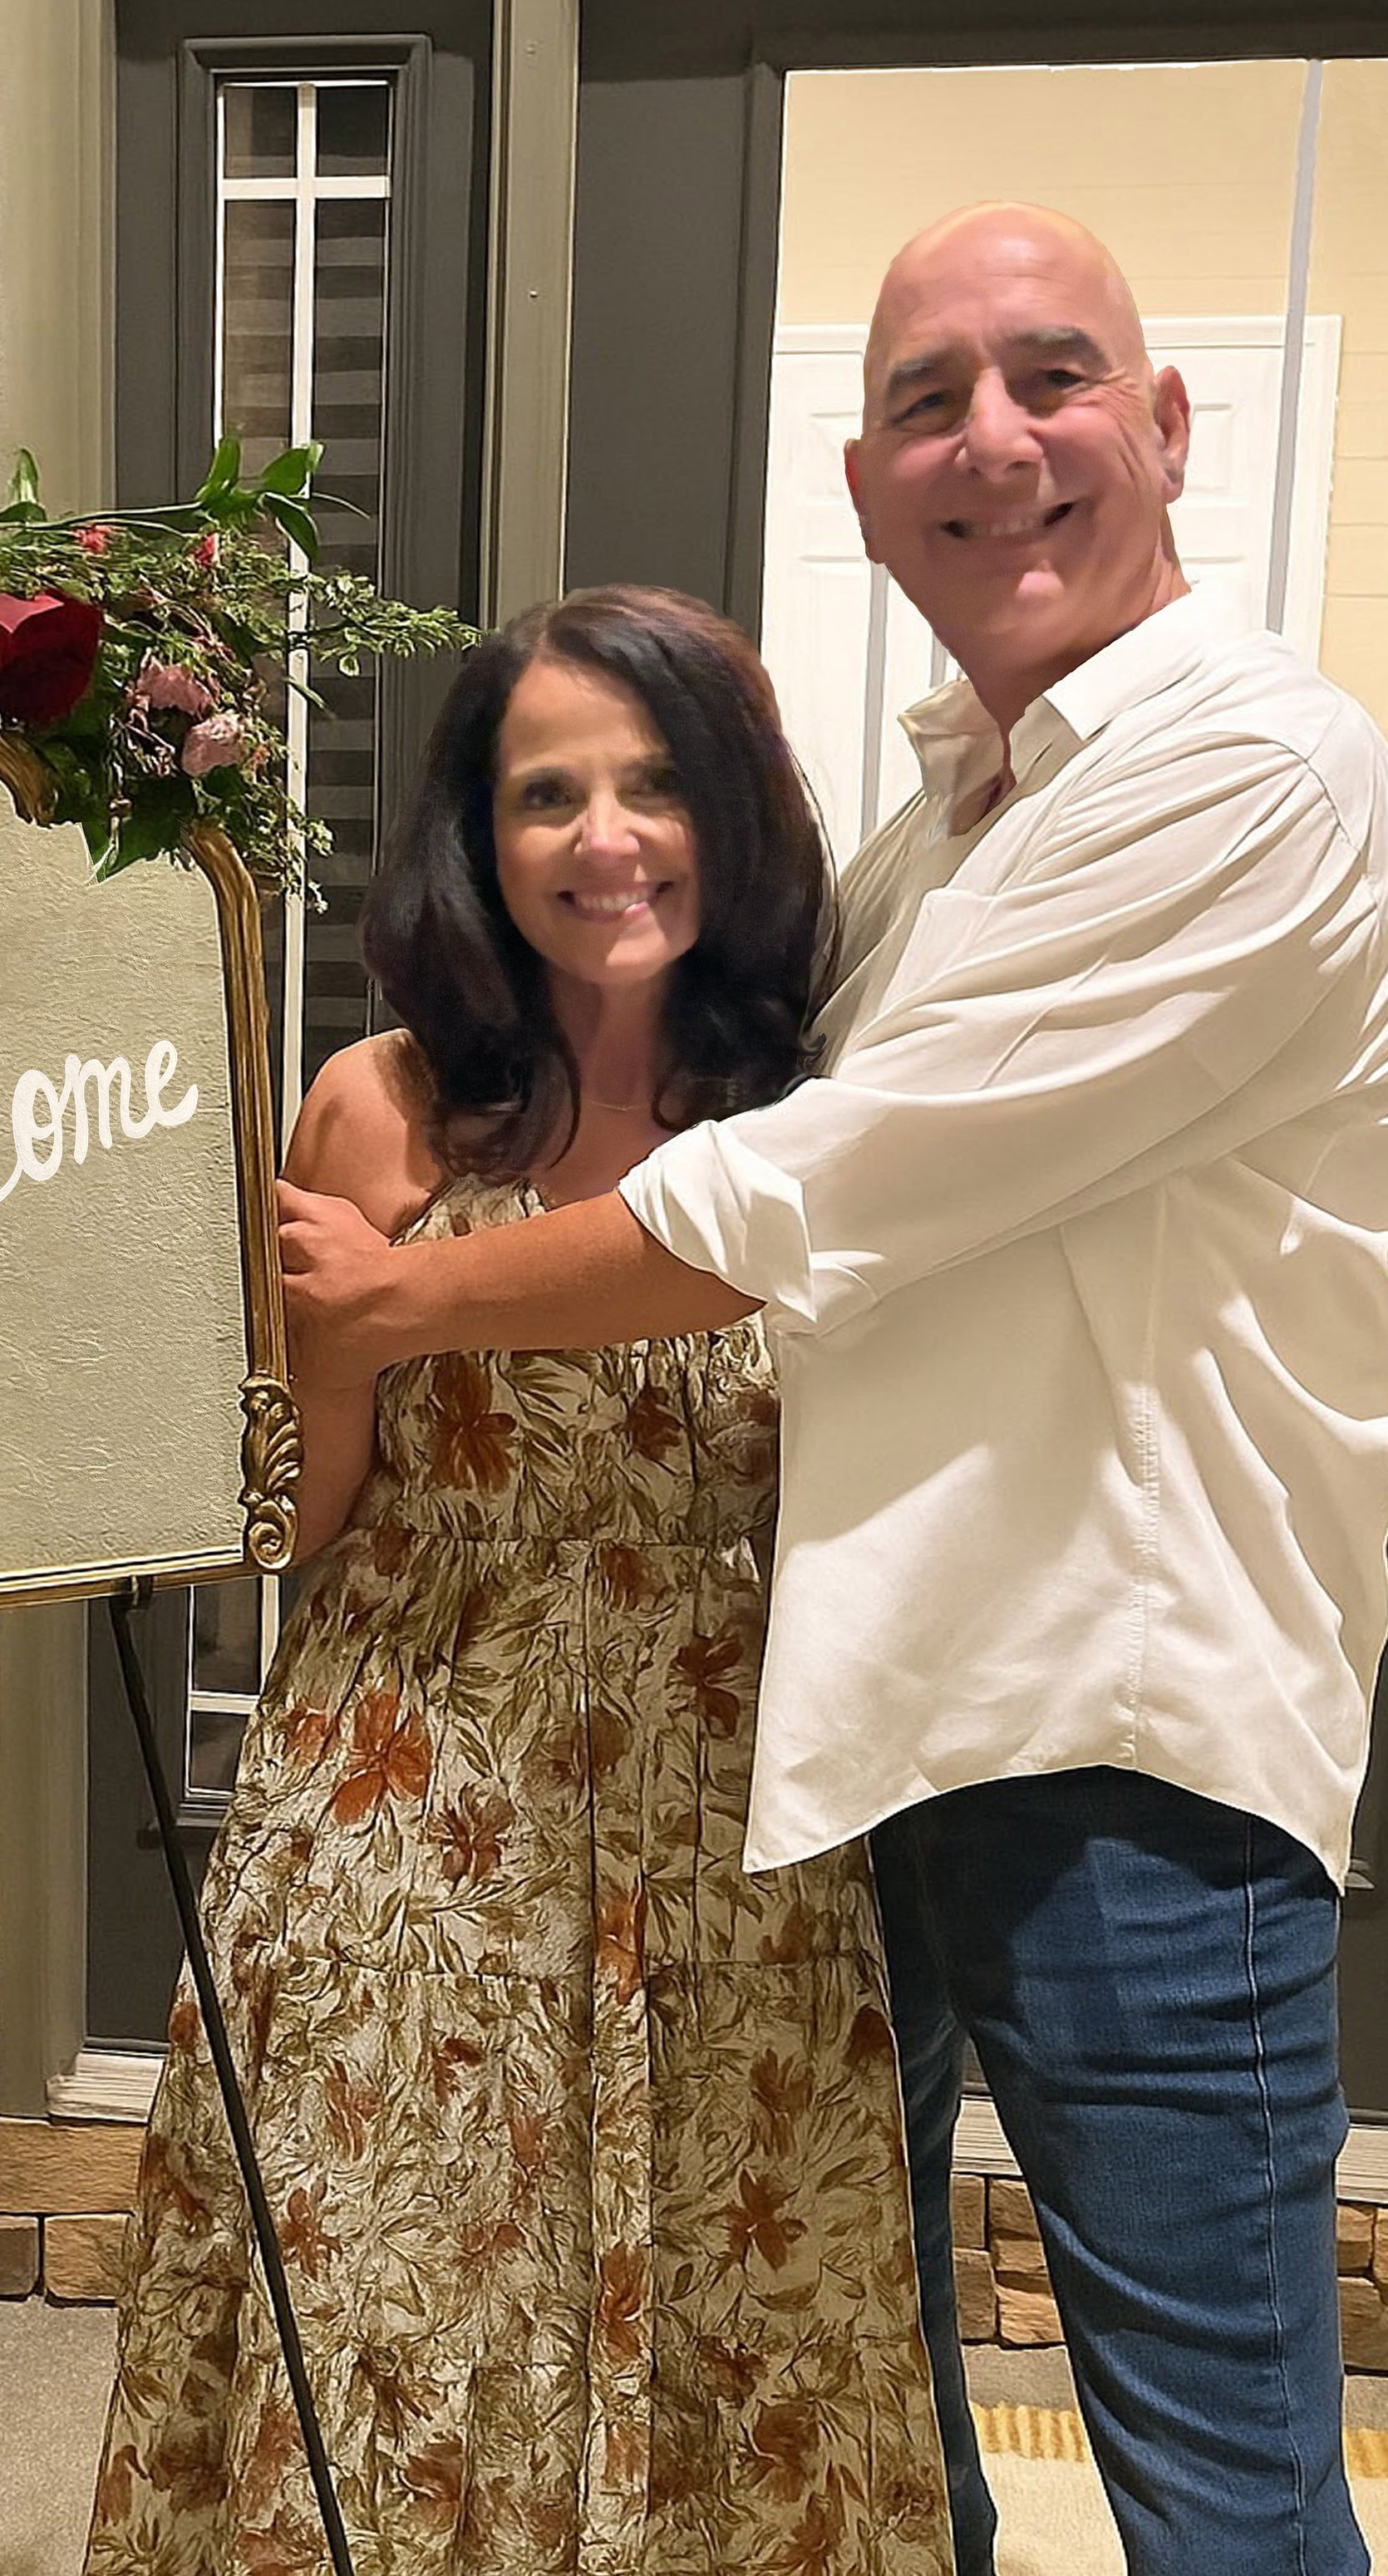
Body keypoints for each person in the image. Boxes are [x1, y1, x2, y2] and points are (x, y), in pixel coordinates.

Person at [278, 201, 1388, 2576]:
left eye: (1050, 376)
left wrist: (396, 1301)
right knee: (855, 2424)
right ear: (869, 487)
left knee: (1214, 2483)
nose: (990, 443)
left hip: (1123, 1742)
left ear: (1164, 427)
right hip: (852, 1739)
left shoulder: (1252, 773)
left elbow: (816, 1187)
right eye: (922, 404)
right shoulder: (938, 830)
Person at [85, 586, 954, 2576]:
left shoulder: (819, 1110)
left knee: (744, 2350)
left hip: (738, 1835)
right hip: (415, 1814)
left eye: (650, 784)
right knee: (394, 2337)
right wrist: (338, 1334)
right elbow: (297, 1525)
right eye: (541, 792)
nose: (602, 837)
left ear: (730, 814)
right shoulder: (383, 1104)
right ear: (477, 843)